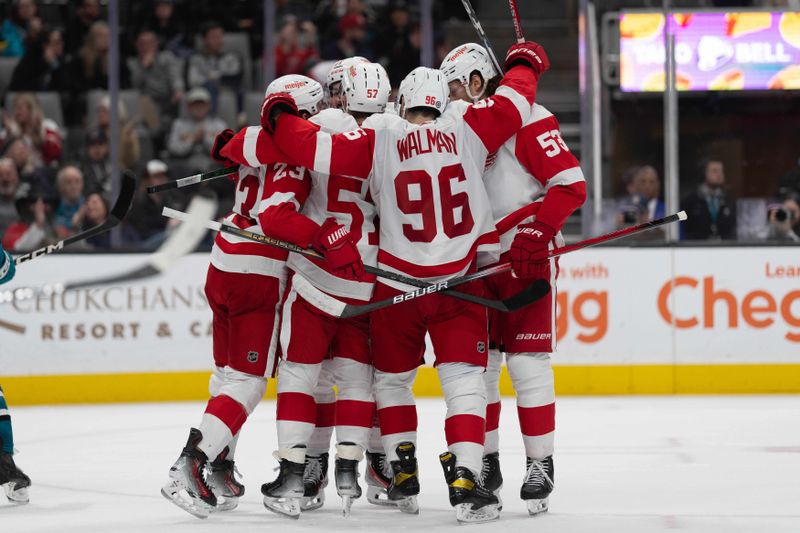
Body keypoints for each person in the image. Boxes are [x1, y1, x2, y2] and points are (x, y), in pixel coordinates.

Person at [263, 41, 549, 523]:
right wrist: (524, 61)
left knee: (392, 383)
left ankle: (403, 471)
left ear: (402, 103)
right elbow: (518, 97)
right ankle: (466, 480)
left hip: (397, 286)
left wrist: (279, 110)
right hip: (460, 283)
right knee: (464, 381)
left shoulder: (380, 133)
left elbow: (307, 146)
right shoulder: (469, 124)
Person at [222, 64, 391, 517]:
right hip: (366, 278)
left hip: (317, 278)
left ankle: (296, 474)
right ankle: (351, 471)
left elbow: (273, 161)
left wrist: (233, 144)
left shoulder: (316, 129)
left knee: (302, 375)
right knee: (359, 378)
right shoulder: (392, 134)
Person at [162, 76, 323, 519]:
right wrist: (324, 239)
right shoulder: (299, 153)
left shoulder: (253, 138)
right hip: (258, 271)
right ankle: (190, 465)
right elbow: (277, 218)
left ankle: (220, 465)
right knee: (247, 382)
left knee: (226, 375)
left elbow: (228, 145)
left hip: (222, 263)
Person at [441, 41, 586, 516]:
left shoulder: (529, 116)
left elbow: (570, 184)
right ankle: (486, 464)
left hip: (525, 257)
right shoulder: (454, 127)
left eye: (456, 85)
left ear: (479, 81)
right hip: (475, 262)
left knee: (527, 368)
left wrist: (540, 229)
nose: (449, 96)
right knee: (479, 373)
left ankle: (540, 463)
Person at [125, 159, 186, 250]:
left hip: (168, 240)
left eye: (163, 176)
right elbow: (142, 230)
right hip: (145, 243)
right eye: (157, 177)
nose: (161, 180)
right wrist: (168, 226)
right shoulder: (139, 201)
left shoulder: (173, 198)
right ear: (147, 180)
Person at [127, 28, 185, 121]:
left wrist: (178, 90)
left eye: (150, 43)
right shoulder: (132, 63)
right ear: (137, 45)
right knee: (141, 101)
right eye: (142, 44)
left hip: (168, 98)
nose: (146, 47)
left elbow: (175, 77)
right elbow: (135, 85)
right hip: (147, 100)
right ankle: (154, 130)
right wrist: (144, 67)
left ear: (156, 44)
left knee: (182, 98)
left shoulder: (166, 57)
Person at [166, 88, 228, 175]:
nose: (199, 108)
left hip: (212, 167)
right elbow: (173, 148)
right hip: (185, 166)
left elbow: (224, 151)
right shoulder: (179, 124)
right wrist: (193, 140)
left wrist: (205, 138)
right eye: (195, 104)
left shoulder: (218, 124)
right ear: (188, 107)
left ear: (209, 106)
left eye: (202, 104)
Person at [186, 21, 243, 107]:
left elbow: (235, 77)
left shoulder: (232, 56)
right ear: (204, 40)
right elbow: (193, 80)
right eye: (213, 37)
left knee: (240, 92)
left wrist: (214, 76)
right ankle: (211, 119)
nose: (218, 40)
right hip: (204, 91)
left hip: (228, 90)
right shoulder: (196, 59)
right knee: (210, 87)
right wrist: (214, 80)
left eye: (220, 37)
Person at [0, 93, 63, 167]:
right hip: (18, 171)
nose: (17, 112)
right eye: (15, 108)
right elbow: (2, 155)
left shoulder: (47, 126)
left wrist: (35, 133)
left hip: (45, 169)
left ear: (32, 109)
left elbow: (55, 154)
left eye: (20, 108)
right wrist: (9, 135)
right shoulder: (12, 128)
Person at [680, 159, 736, 240]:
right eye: (714, 171)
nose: (719, 174)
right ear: (704, 174)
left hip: (724, 248)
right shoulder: (691, 200)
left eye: (721, 171)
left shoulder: (728, 200)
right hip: (697, 248)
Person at [9, 27, 66, 92]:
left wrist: (54, 64)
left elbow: (63, 86)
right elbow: (21, 84)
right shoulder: (31, 59)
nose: (62, 44)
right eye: (57, 42)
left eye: (62, 41)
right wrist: (44, 64)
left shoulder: (62, 60)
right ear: (45, 46)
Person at [52, 165, 85, 238]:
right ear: (61, 186)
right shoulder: (54, 208)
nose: (74, 186)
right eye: (68, 182)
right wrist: (74, 223)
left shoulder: (89, 205)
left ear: (82, 184)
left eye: (77, 181)